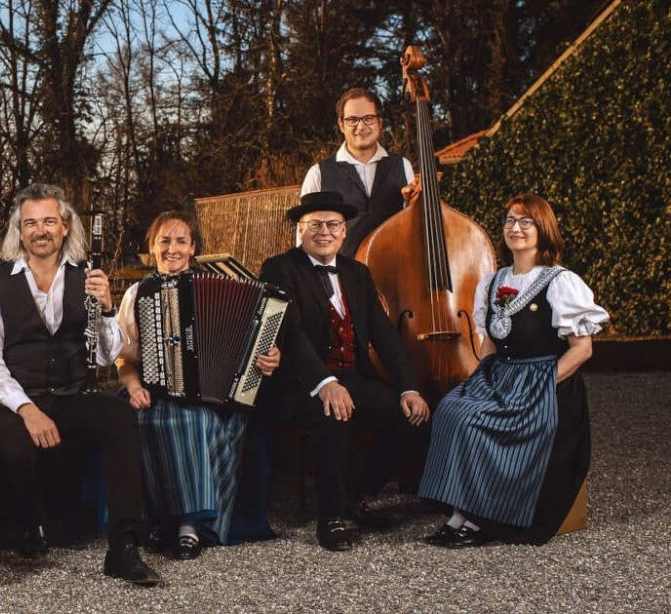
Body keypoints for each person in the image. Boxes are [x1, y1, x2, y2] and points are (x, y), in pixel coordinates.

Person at [0, 183, 160, 586]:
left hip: (74, 394)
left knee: (120, 417)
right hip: (17, 400)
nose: (41, 231)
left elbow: (108, 356)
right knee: (12, 444)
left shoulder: (87, 277)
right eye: (31, 223)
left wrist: (108, 307)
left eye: (49, 222)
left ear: (65, 226)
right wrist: (27, 409)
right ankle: (26, 526)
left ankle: (124, 546)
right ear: (19, 231)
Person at [418, 194, 607, 548]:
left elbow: (583, 349)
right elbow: (490, 345)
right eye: (509, 220)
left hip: (545, 381)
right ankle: (459, 512)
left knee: (481, 424)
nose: (515, 228)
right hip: (501, 374)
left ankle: (478, 519)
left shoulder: (560, 282)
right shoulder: (494, 281)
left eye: (525, 222)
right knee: (452, 410)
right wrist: (479, 384)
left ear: (543, 229)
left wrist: (543, 386)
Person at [256, 191, 430, 552]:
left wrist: (408, 388)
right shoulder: (279, 268)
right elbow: (291, 333)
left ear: (343, 231)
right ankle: (330, 515)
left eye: (332, 224)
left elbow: (385, 335)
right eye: (315, 224)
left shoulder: (356, 272)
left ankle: (355, 494)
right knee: (332, 414)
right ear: (300, 230)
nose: (324, 231)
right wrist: (324, 383)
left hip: (353, 375)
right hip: (298, 382)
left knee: (414, 419)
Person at [114, 210, 280, 559]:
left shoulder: (215, 284)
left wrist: (267, 357)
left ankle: (192, 526)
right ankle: (167, 521)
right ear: (152, 248)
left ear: (192, 249)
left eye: (181, 241)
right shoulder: (137, 293)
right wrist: (131, 386)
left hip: (211, 396)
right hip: (151, 390)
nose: (172, 249)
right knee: (168, 421)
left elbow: (255, 346)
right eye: (164, 241)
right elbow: (122, 357)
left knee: (208, 420)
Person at [300, 88, 415, 257]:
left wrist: (415, 202)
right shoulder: (318, 173)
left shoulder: (402, 166)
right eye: (352, 119)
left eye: (368, 118)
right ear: (341, 125)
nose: (361, 127)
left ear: (380, 122)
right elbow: (305, 239)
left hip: (395, 275)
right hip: (340, 279)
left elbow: (413, 226)